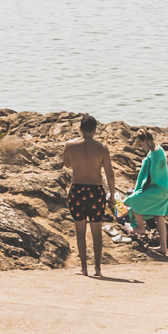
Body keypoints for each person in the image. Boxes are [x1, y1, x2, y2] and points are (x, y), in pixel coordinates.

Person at [61, 115, 116, 276]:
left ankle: (84, 267)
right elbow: (110, 174)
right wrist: (112, 194)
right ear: (94, 130)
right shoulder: (102, 148)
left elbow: (68, 164)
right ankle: (98, 268)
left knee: (80, 230)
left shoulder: (69, 145)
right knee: (96, 231)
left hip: (77, 190)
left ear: (80, 129)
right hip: (96, 192)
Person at [124, 130, 168, 256]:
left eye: (141, 144)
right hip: (165, 188)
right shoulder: (157, 149)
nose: (141, 147)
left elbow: (151, 175)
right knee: (159, 216)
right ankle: (163, 248)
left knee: (133, 200)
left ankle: (140, 227)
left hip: (159, 189)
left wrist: (139, 190)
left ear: (145, 141)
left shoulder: (156, 154)